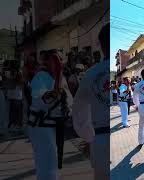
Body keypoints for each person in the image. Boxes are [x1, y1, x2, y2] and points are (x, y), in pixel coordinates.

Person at [28, 50, 72, 180]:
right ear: (48, 62)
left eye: (60, 59)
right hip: (41, 126)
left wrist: (69, 113)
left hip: (55, 125)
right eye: (55, 60)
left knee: (54, 161)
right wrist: (57, 81)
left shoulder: (60, 77)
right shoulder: (40, 77)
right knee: (46, 161)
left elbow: (68, 100)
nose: (58, 62)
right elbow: (46, 97)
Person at [72, 24, 109, 180]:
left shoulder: (91, 74)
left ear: (100, 45)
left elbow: (79, 110)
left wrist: (89, 137)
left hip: (100, 140)